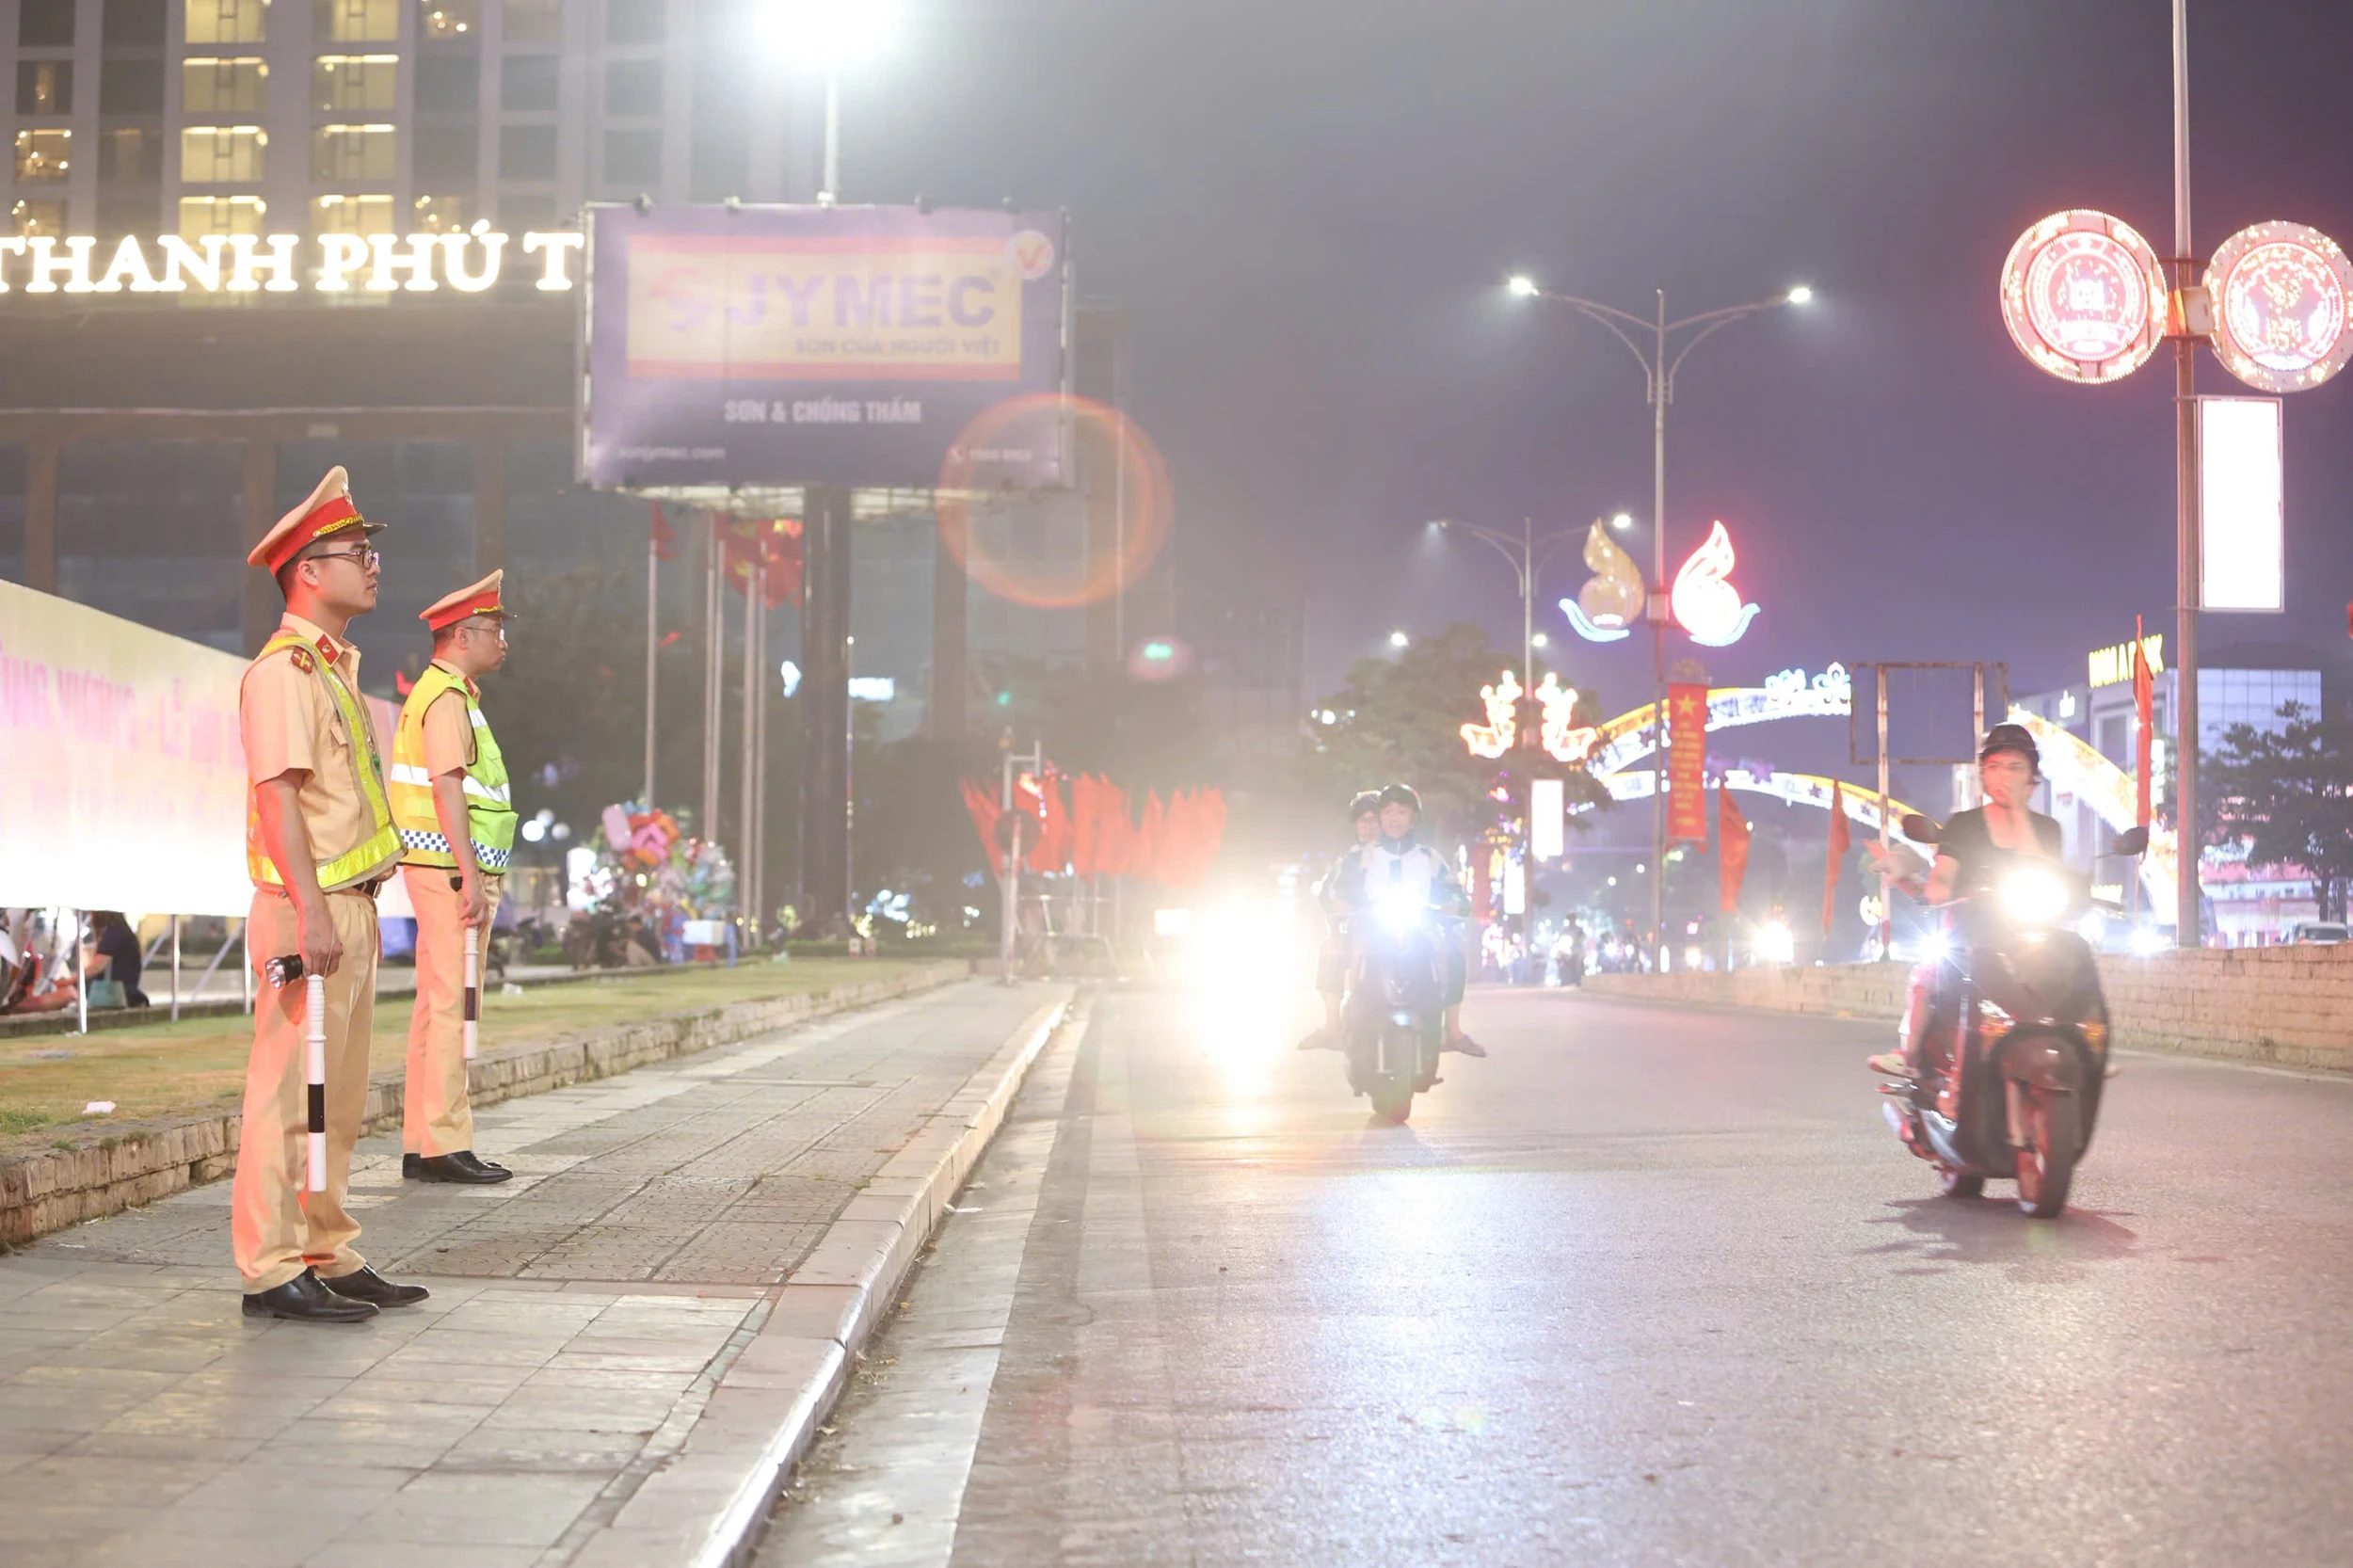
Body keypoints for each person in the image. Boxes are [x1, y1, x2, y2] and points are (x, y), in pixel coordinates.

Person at [232, 465, 429, 1324]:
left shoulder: (334, 668)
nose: (373, 565)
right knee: (286, 1100)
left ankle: (325, 1249)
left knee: (334, 1103)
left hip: (348, 907)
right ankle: (271, 1268)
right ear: (308, 571)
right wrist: (311, 911)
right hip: (304, 909)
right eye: (357, 553)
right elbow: (277, 798)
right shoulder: (283, 673)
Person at [390, 570, 519, 1186]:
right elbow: (446, 785)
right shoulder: (445, 698)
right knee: (452, 1003)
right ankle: (446, 1143)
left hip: (439, 866)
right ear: (463, 635)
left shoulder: (446, 694)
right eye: (495, 631)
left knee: (433, 1004)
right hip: (448, 869)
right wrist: (471, 873)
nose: (503, 642)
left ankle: (423, 1139)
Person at [1863, 723, 2065, 1080]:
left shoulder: (2047, 830)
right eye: (1996, 767)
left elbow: (2047, 872)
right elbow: (1942, 875)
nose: (2005, 777)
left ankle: (2078, 1048)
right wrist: (1938, 886)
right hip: (1970, 938)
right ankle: (1909, 1056)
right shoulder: (1963, 826)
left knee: (2074, 971)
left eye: (2016, 768)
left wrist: (2019, 813)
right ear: (1983, 776)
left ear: (2033, 777)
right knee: (1932, 972)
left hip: (2032, 940)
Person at [1333, 783, 1486, 1057]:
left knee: (1451, 951)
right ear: (1380, 817)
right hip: (1370, 930)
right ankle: (1340, 1022)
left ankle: (1452, 1029)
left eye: (1402, 812)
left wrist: (1452, 906)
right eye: (1388, 812)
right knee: (1337, 951)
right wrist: (1343, 904)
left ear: (1413, 818)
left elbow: (1456, 895)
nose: (1394, 818)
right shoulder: (1361, 858)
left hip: (1420, 931)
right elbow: (1341, 889)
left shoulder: (1430, 859)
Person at [1297, 791, 1384, 1050]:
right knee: (1330, 949)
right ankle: (1332, 1026)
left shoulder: (1405, 856)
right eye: (1362, 821)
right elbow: (1328, 895)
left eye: (1373, 820)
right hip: (1359, 931)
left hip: (1402, 932)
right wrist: (1337, 919)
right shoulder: (1348, 860)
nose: (1368, 826)